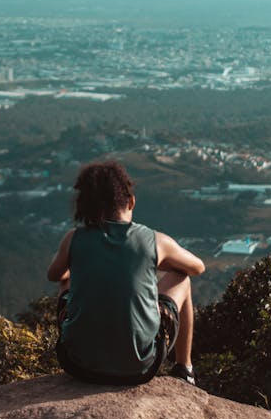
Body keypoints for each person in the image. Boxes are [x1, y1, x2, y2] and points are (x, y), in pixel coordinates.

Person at [47, 160, 205, 386]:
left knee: (66, 283)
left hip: (77, 364)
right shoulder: (154, 241)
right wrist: (156, 263)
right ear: (131, 202)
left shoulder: (74, 238)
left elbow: (54, 275)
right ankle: (185, 369)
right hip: (139, 367)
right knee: (182, 279)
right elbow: (198, 267)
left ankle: (87, 342)